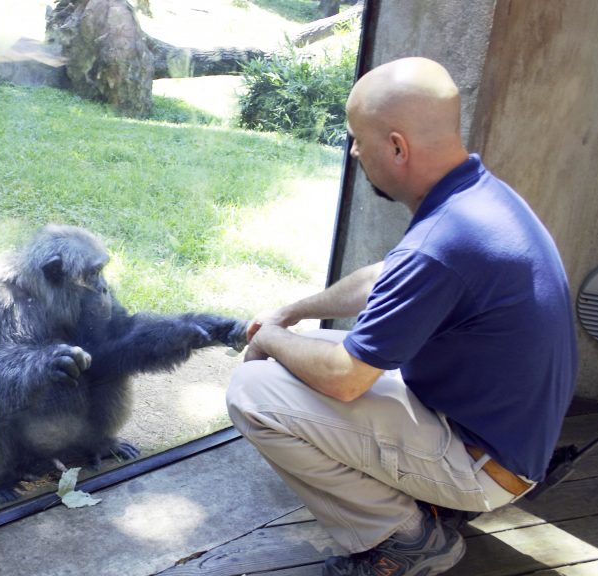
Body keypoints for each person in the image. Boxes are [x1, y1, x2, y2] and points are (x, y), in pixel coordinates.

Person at [225, 56, 578, 576]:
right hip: (500, 437)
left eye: (357, 139)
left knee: (254, 391)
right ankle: (431, 503)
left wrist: (270, 338)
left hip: (483, 465)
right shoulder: (476, 199)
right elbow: (383, 280)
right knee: (309, 359)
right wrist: (293, 312)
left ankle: (405, 541)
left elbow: (346, 382)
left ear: (396, 146)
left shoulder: (443, 242)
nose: (353, 151)